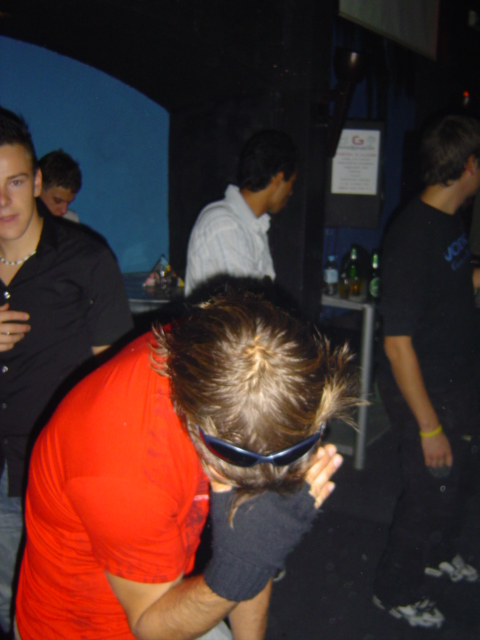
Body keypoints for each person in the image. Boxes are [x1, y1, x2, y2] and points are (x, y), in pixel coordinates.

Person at [15, 293, 358, 640]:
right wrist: (238, 573)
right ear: (199, 427)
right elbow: (149, 627)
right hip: (91, 626)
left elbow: (254, 541)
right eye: (238, 463)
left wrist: (257, 554)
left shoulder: (224, 363)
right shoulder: (125, 470)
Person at [0, 107, 133, 634]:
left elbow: (115, 381)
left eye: (14, 182)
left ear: (36, 182)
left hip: (46, 469)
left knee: (34, 606)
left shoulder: (86, 260)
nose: (2, 201)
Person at [373, 114, 480, 629]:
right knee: (428, 489)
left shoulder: (450, 219)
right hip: (423, 390)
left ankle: (437, 554)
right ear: (469, 165)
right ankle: (394, 591)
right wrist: (429, 426)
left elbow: (453, 281)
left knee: (456, 481)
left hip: (455, 380)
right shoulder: (411, 237)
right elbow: (397, 347)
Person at [185, 130, 297, 297]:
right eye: (291, 183)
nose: (291, 192)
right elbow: (244, 305)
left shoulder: (254, 225)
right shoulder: (224, 225)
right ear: (278, 178)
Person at [38, 148, 82, 221]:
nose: (64, 210)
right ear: (37, 187)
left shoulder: (70, 221)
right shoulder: (18, 219)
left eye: (68, 203)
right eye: (58, 201)